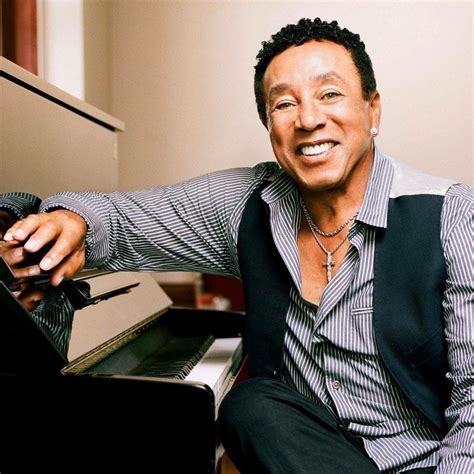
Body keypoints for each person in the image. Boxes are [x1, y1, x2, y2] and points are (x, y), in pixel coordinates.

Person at [1, 18, 472, 474]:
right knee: (250, 406)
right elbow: (122, 219)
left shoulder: (453, 216)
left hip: (431, 462)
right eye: (284, 104)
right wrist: (70, 220)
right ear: (269, 125)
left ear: (373, 110)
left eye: (330, 94)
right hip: (305, 454)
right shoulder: (245, 205)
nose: (309, 119)